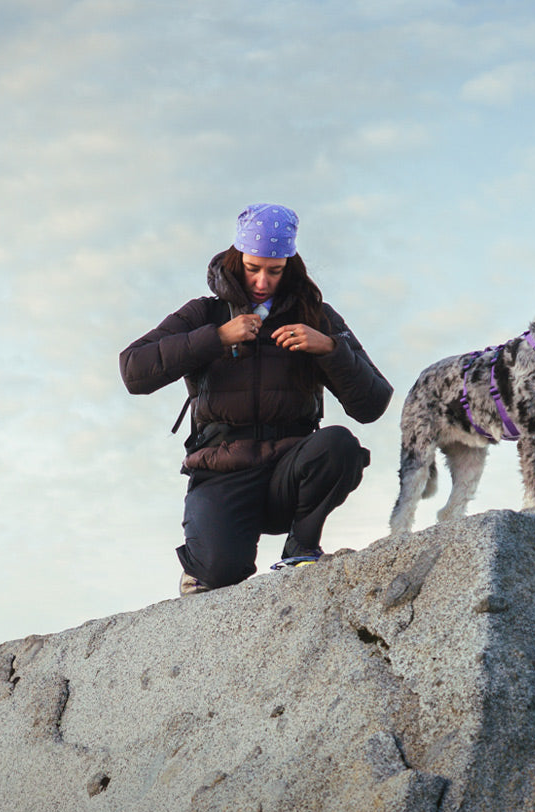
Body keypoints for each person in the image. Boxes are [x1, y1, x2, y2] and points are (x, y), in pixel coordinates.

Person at [120, 203, 392, 593]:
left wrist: (330, 348)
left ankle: (302, 547)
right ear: (236, 259)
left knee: (340, 445)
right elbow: (133, 370)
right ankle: (203, 564)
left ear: (289, 265)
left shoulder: (318, 317)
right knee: (219, 572)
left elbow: (373, 404)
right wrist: (216, 338)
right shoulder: (205, 313)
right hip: (222, 470)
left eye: (275, 270)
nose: (262, 281)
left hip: (289, 475)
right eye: (253, 268)